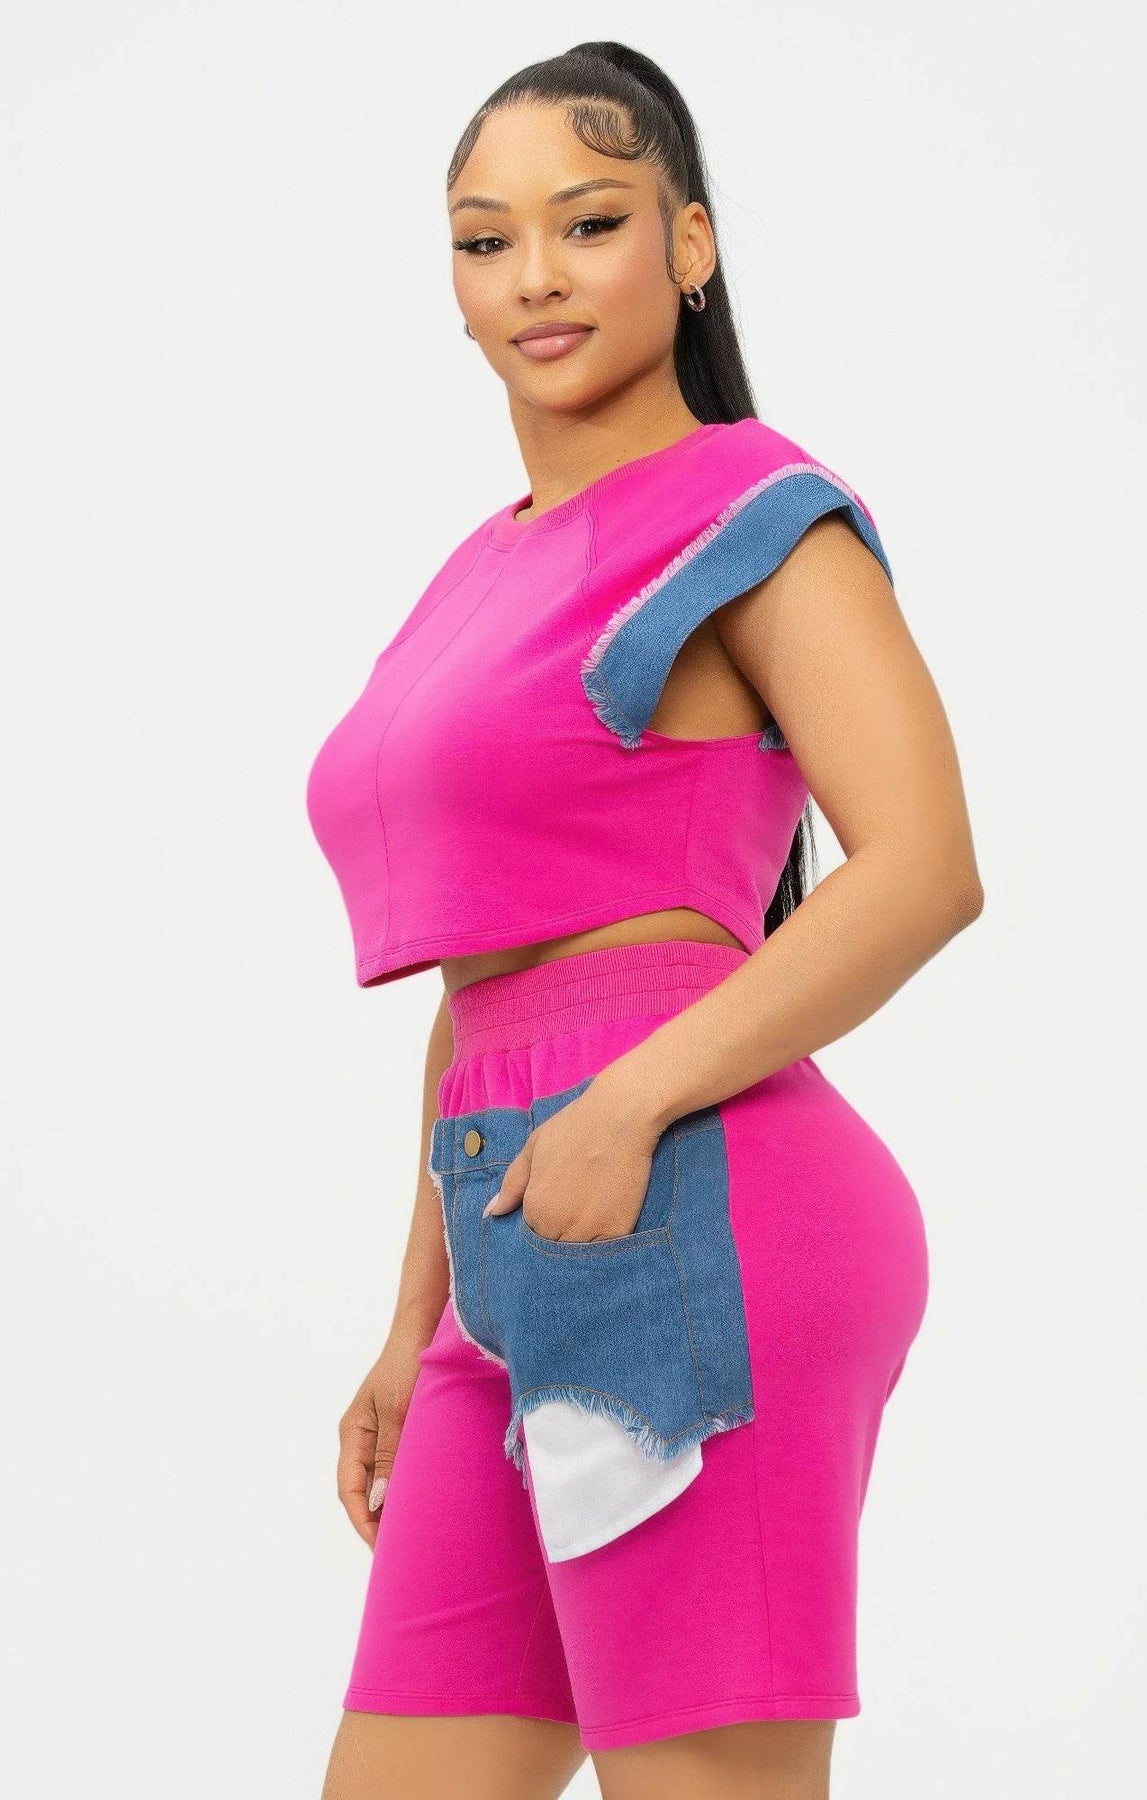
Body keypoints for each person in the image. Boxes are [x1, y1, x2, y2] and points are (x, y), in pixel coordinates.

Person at [308, 40, 983, 1800]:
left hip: (703, 1218)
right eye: (486, 240)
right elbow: (485, 980)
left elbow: (924, 864)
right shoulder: (476, 571)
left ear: (689, 246)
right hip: (513, 1239)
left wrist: (630, 1103)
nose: (534, 275)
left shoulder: (757, 513)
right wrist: (417, 1319)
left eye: (588, 222)